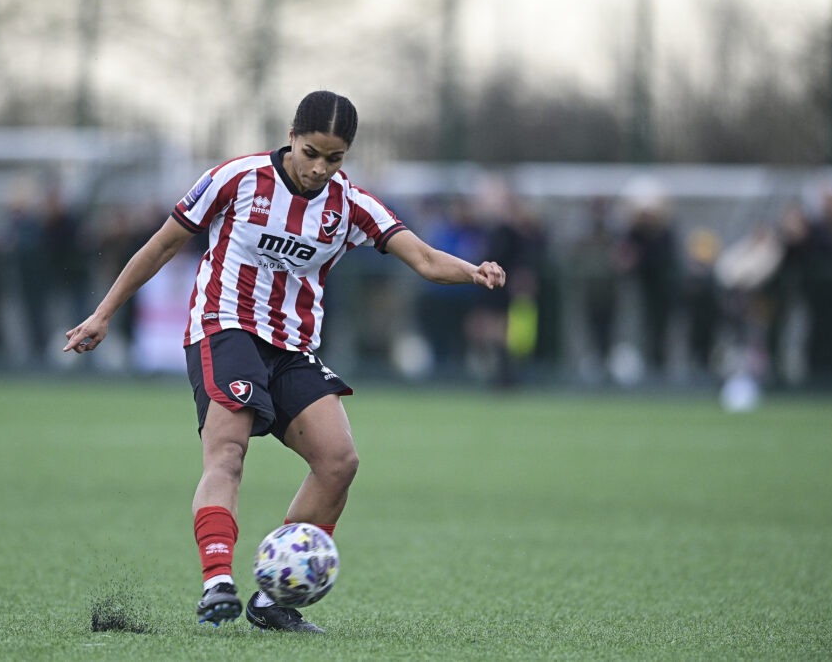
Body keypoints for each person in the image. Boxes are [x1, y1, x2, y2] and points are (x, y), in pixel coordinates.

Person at [63, 91, 506, 633]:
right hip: (224, 329)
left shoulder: (351, 205)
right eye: (313, 152)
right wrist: (103, 314)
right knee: (227, 453)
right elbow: (160, 245)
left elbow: (427, 259)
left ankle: (272, 602)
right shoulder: (236, 178)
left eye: (335, 157)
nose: (321, 168)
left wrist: (474, 271)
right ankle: (217, 582)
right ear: (292, 135)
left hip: (293, 348)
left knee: (340, 462)